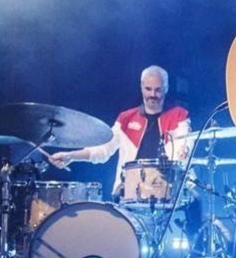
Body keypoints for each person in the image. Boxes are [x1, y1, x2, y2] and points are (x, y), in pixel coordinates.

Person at [49, 65, 191, 196]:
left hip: (168, 190)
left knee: (195, 201)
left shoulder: (179, 115)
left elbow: (184, 146)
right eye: (148, 89)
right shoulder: (126, 118)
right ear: (141, 88)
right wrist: (71, 156)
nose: (153, 94)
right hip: (129, 192)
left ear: (166, 88)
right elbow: (103, 150)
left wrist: (183, 152)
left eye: (158, 89)